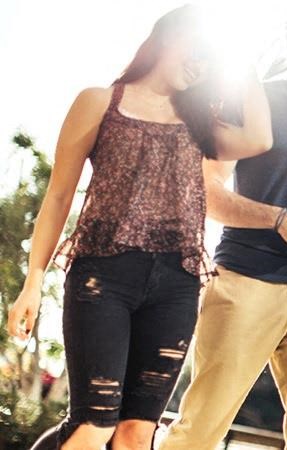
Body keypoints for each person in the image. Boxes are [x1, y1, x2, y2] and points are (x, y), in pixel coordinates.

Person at [5, 5, 273, 449]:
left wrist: (241, 60)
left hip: (177, 285)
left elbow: (260, 138)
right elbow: (58, 196)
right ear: (169, 38)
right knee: (95, 425)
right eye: (197, 50)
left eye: (211, 59)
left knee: (136, 435)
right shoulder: (99, 101)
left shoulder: (203, 123)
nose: (201, 64)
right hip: (102, 275)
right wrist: (34, 281)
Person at [159, 1, 287, 449]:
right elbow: (207, 192)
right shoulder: (250, 101)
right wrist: (277, 220)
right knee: (199, 430)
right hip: (243, 283)